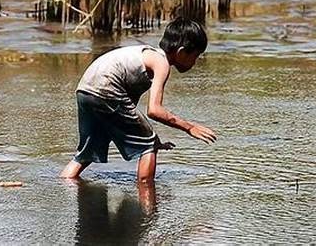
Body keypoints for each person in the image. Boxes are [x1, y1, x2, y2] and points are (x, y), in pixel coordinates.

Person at [60, 17, 217, 183]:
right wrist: (189, 127)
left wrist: (151, 136)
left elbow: (131, 113)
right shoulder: (161, 63)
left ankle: (64, 185)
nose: (195, 62)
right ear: (181, 52)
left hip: (85, 90)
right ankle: (148, 199)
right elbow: (154, 110)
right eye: (195, 56)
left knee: (88, 151)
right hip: (106, 89)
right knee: (147, 147)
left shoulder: (146, 54)